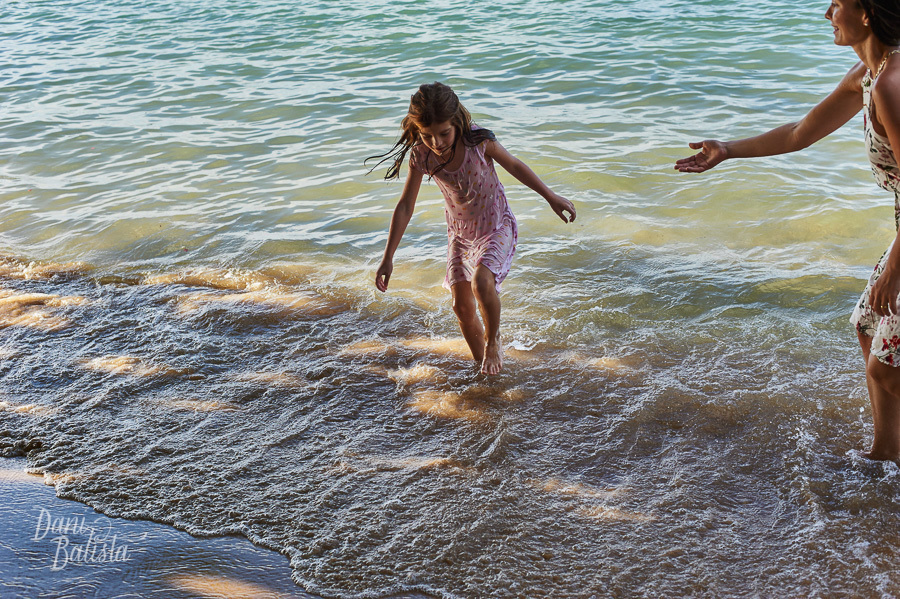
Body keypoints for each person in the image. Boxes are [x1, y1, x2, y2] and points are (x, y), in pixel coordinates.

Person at [675, 0, 900, 465]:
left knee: (887, 367)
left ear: (866, 14)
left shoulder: (892, 86)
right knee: (866, 326)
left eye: (837, 3)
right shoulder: (869, 74)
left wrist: (893, 270)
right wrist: (729, 150)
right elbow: (801, 131)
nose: (826, 13)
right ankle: (886, 453)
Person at [369, 82, 576, 375]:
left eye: (444, 133)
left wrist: (550, 196)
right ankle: (485, 369)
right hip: (461, 235)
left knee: (481, 283)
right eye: (427, 136)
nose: (437, 143)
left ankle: (493, 342)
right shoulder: (422, 155)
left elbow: (515, 165)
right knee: (461, 306)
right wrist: (388, 256)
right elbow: (405, 206)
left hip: (496, 226)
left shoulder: (477, 142)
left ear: (456, 123)